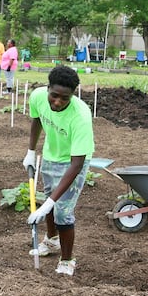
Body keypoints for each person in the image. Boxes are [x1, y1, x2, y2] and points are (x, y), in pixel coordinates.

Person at [23, 65, 95, 276]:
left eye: (65, 98)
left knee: (62, 211)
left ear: (72, 96)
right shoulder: (37, 97)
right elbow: (36, 120)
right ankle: (52, 240)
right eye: (54, 96)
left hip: (73, 162)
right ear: (47, 89)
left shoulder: (80, 116)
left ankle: (67, 260)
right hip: (50, 155)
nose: (57, 102)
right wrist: (30, 151)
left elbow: (77, 164)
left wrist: (52, 203)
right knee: (48, 199)